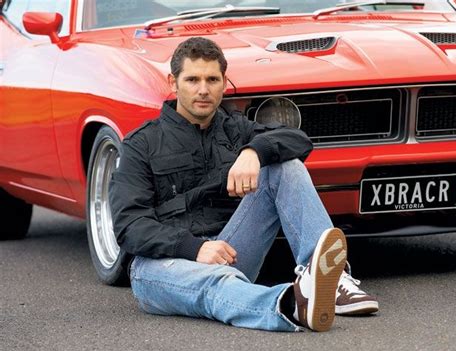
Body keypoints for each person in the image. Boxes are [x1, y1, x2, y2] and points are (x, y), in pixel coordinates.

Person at [109, 37, 378, 332]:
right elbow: (129, 226)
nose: (203, 89)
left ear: (224, 82)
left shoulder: (236, 129)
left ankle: (329, 277)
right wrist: (194, 248)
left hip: (231, 252)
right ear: (173, 83)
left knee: (285, 166)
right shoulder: (140, 144)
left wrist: (254, 152)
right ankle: (290, 305)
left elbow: (299, 140)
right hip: (163, 267)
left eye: (212, 79)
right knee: (214, 283)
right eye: (193, 79)